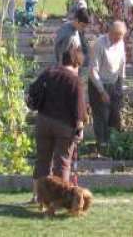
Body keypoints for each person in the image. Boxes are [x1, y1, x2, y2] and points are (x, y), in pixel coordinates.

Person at [32, 46, 87, 184]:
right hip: (64, 125)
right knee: (62, 162)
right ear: (77, 63)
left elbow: (32, 91)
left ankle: (38, 196)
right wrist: (80, 130)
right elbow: (79, 108)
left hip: (43, 120)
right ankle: (59, 197)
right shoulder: (75, 81)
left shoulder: (48, 73)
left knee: (42, 160)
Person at [89, 21, 127, 150]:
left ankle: (112, 143)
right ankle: (102, 144)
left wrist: (120, 85)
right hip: (99, 84)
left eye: (122, 36)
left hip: (114, 83)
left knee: (114, 114)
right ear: (110, 33)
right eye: (117, 35)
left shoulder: (120, 43)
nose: (120, 39)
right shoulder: (99, 44)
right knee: (101, 116)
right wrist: (101, 91)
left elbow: (122, 63)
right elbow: (93, 70)